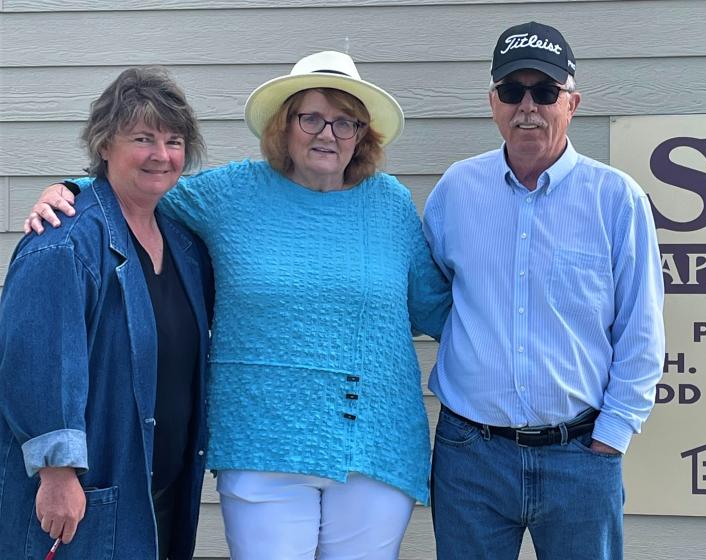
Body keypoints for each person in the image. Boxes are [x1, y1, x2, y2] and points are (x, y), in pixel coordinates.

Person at [24, 52, 451, 560]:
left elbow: (434, 308)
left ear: (362, 134)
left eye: (344, 122)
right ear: (284, 125)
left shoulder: (391, 204)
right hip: (261, 443)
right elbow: (137, 187)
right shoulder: (231, 193)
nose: (327, 133)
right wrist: (70, 188)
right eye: (311, 117)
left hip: (375, 446)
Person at [423, 22, 665, 559]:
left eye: (545, 92)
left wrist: (612, 435)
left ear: (572, 103)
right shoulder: (456, 191)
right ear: (493, 104)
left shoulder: (616, 200)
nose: (527, 106)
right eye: (512, 91)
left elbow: (641, 330)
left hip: (580, 454)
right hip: (471, 456)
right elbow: (433, 296)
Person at [0, 67, 213, 560]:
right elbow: (34, 360)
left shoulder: (184, 245)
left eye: (174, 140)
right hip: (86, 501)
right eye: (143, 138)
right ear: (104, 145)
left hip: (156, 497)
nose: (161, 155)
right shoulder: (65, 239)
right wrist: (57, 473)